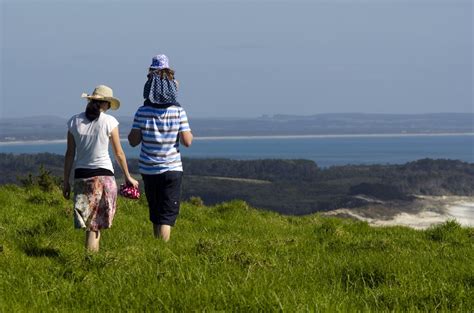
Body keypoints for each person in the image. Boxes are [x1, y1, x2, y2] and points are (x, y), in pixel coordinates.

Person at [63, 85, 139, 252]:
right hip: (104, 178)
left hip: (81, 177)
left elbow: (70, 154)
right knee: (95, 225)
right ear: (106, 104)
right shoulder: (109, 122)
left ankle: (89, 258)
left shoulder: (74, 121)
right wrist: (128, 176)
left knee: (89, 224)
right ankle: (91, 259)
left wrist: (65, 181)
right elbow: (119, 153)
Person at [128, 54, 193, 242]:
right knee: (167, 214)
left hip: (149, 168)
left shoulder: (142, 111)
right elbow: (187, 141)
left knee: (155, 211)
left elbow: (133, 141)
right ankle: (162, 251)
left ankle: (157, 246)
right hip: (172, 168)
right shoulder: (178, 111)